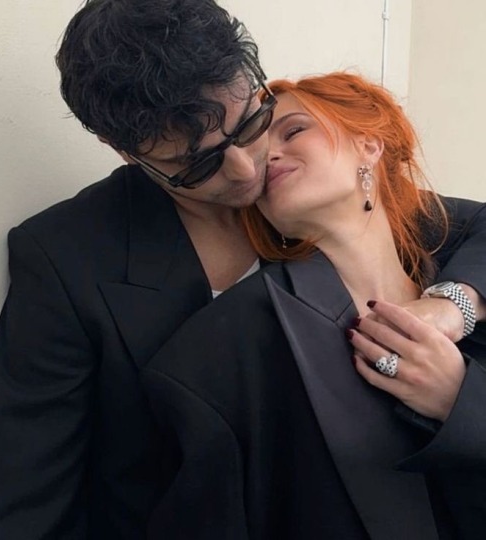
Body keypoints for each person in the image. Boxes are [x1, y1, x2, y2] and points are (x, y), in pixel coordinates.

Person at [0, 1, 486, 538]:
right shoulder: (64, 258)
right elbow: (35, 504)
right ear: (126, 152)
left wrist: (456, 303)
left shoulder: (310, 194)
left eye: (249, 125)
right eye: (197, 164)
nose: (246, 169)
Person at [138, 72, 486, 539]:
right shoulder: (224, 350)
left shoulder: (469, 294)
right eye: (261, 149)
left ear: (369, 144)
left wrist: (459, 400)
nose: (268, 156)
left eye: (294, 130)